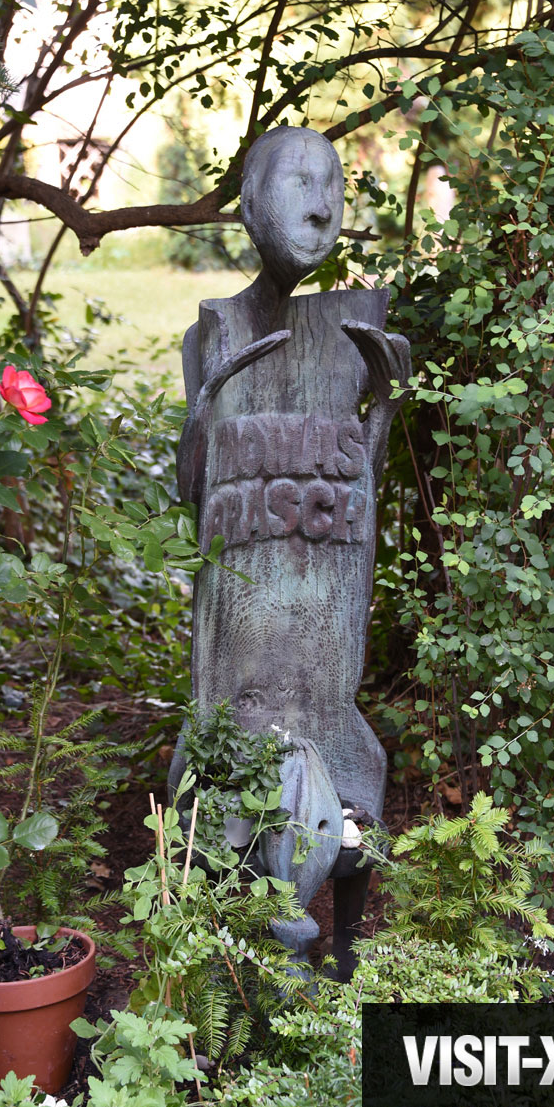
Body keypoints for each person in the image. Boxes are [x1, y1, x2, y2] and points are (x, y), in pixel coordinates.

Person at [172, 126, 411, 978]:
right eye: (299, 180)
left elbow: (352, 496)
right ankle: (235, 968)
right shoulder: (217, 329)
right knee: (230, 787)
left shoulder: (351, 331)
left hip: (322, 665)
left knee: (353, 774)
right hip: (241, 671)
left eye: (335, 184)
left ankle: (334, 964)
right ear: (247, 201)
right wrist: (208, 409)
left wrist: (381, 410)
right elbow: (190, 500)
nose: (322, 201)